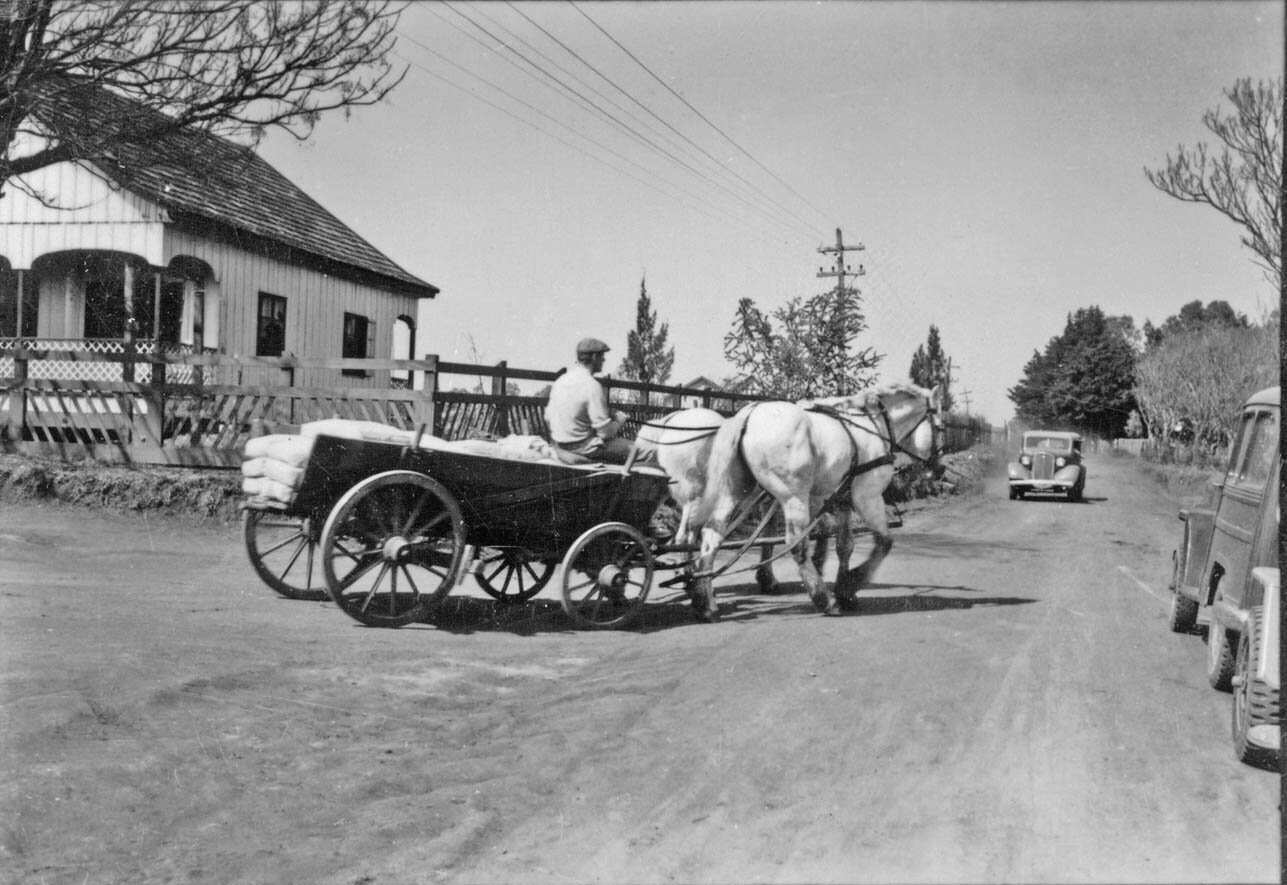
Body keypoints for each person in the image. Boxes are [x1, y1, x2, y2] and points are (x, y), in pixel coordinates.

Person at [545, 337, 641, 464]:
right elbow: (605, 433)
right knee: (645, 450)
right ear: (595, 357)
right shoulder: (592, 385)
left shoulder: (561, 381)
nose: (604, 359)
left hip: (560, 445)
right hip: (585, 449)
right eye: (602, 356)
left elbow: (548, 417)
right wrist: (619, 420)